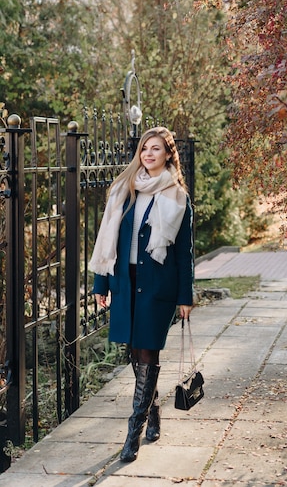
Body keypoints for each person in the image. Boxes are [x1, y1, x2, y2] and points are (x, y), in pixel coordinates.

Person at [89, 126, 194, 463]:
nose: (149, 154)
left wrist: (185, 297)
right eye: (144, 148)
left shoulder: (178, 197)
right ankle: (154, 411)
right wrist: (100, 285)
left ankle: (132, 433)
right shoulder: (125, 189)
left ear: (168, 154)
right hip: (125, 283)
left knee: (147, 354)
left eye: (156, 149)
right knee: (135, 355)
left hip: (158, 287)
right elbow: (106, 239)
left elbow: (183, 253)